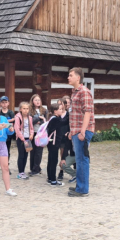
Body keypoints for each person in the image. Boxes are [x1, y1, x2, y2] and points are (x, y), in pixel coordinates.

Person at [68, 67, 95, 197]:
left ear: (78, 78)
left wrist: (83, 131)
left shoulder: (84, 92)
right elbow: (74, 113)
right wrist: (71, 131)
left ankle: (83, 190)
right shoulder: (74, 92)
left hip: (82, 131)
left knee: (82, 160)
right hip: (76, 131)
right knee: (78, 160)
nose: (68, 77)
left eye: (71, 75)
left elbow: (87, 112)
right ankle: (80, 186)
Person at [47, 103, 69, 186]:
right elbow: (64, 122)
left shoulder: (53, 118)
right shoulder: (55, 119)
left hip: (52, 142)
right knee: (53, 161)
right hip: (54, 143)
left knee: (51, 160)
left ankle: (50, 178)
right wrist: (70, 116)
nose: (61, 110)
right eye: (60, 109)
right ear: (55, 111)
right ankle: (53, 180)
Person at [29, 94, 47, 176]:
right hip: (33, 133)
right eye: (36, 100)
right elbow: (29, 122)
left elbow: (46, 122)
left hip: (41, 133)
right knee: (32, 151)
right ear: (32, 101)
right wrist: (38, 119)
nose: (37, 101)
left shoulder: (44, 110)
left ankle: (36, 168)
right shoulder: (30, 110)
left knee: (39, 152)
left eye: (39, 100)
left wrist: (40, 120)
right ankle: (32, 168)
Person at [15, 102, 34, 179]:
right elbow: (17, 129)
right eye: (24, 108)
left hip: (28, 138)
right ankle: (20, 172)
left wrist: (31, 134)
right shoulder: (17, 117)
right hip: (21, 139)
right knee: (21, 155)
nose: (26, 110)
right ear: (20, 109)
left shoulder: (30, 118)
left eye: (27, 108)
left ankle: (23, 171)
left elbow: (31, 128)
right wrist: (23, 139)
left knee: (26, 155)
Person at [57, 98, 69, 180]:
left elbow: (70, 125)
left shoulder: (68, 114)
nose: (59, 105)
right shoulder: (56, 114)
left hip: (65, 136)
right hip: (57, 136)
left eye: (61, 104)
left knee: (63, 153)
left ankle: (61, 171)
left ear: (65, 105)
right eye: (58, 104)